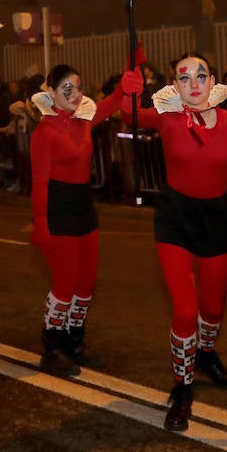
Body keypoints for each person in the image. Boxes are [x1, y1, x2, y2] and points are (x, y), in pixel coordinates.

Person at [125, 53, 227, 433]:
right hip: (175, 217)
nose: (194, 83)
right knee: (186, 312)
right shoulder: (168, 118)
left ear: (213, 79)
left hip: (217, 218)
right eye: (185, 78)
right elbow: (127, 114)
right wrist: (129, 87)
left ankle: (205, 354)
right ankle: (182, 387)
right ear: (175, 86)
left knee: (213, 307)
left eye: (201, 75)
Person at [27, 63, 135, 376]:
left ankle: (75, 343)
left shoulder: (85, 119)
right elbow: (39, 183)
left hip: (84, 205)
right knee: (64, 284)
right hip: (58, 208)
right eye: (67, 89)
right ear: (51, 93)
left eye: (78, 86)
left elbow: (113, 102)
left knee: (86, 282)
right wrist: (41, 224)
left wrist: (131, 72)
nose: (75, 94)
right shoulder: (44, 132)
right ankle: (51, 349)